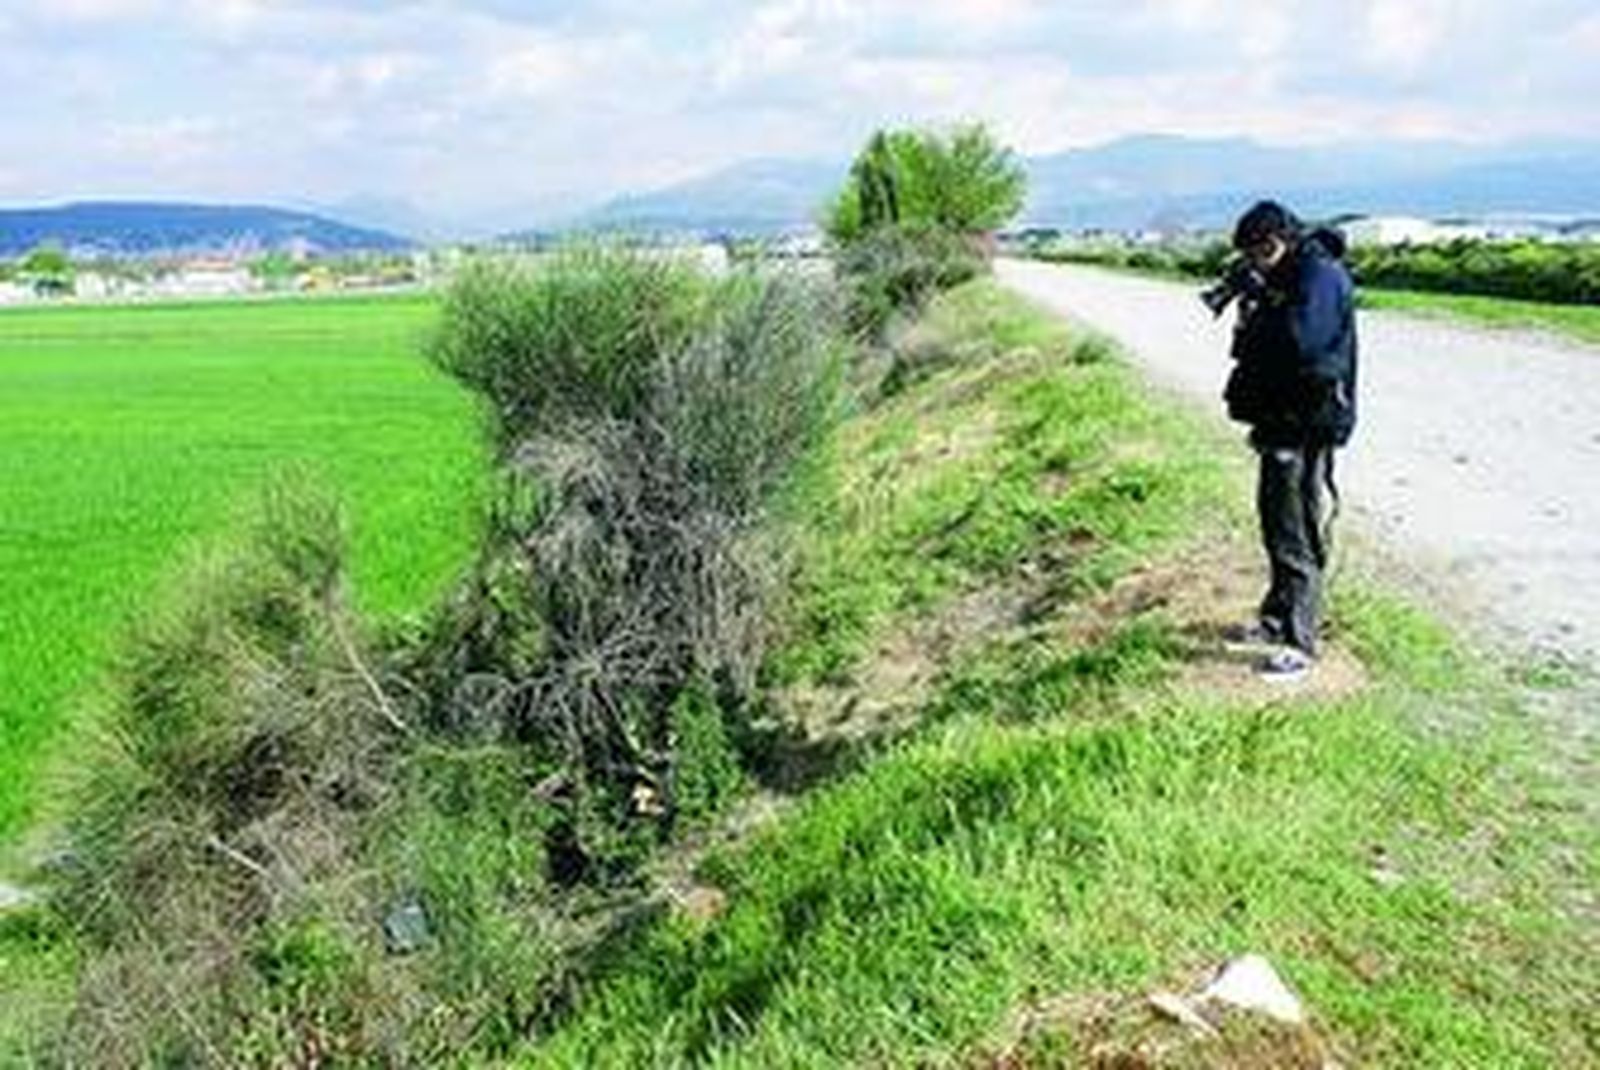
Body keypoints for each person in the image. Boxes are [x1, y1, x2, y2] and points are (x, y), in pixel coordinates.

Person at [1220, 200, 1358, 679]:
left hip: (1307, 422)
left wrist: (1265, 302)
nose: (1252, 265)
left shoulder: (1319, 275)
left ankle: (1301, 642)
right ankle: (1277, 618)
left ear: (1275, 243)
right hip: (1282, 417)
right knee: (1275, 521)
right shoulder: (1288, 275)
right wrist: (1256, 301)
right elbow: (1255, 345)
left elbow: (1303, 343)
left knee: (1294, 527)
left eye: (1256, 255)